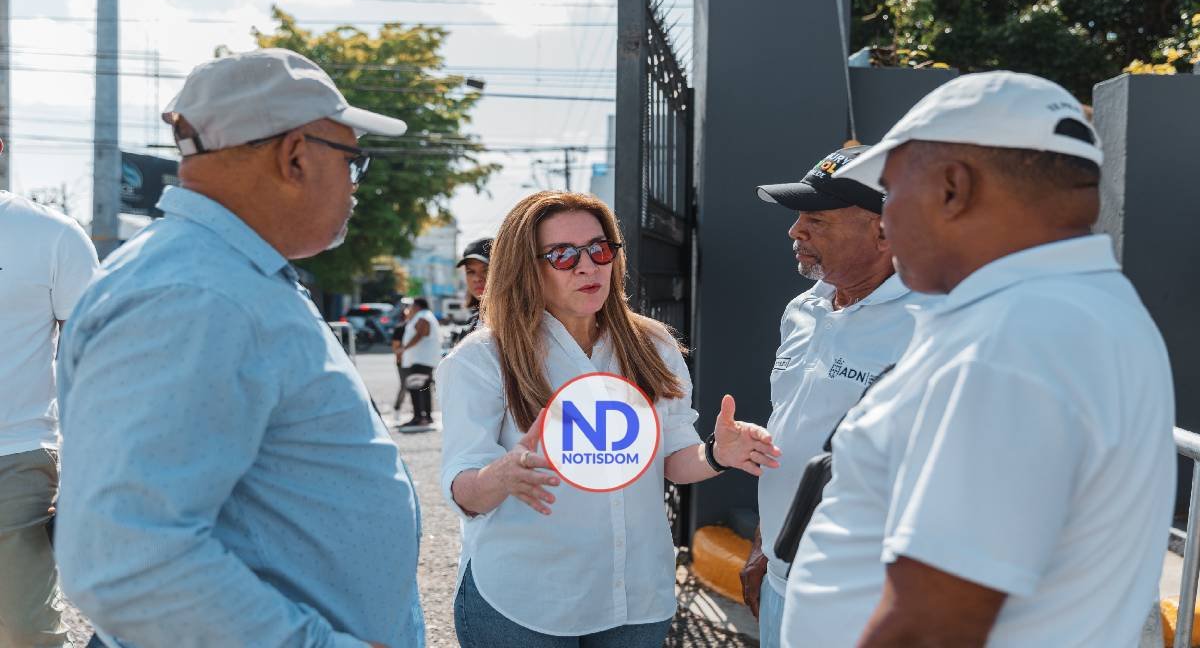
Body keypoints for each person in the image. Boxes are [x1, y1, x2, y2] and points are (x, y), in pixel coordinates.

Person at [781, 71, 1174, 647]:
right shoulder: (1077, 312)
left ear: (951, 188)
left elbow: (933, 625)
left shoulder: (1013, 340)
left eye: (891, 193)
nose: (887, 222)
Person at [55, 48, 424, 648]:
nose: (357, 186)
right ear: (296, 155)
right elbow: (127, 561)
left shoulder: (220, 276)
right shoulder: (195, 296)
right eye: (353, 162)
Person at [438, 190, 782, 647]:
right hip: (524, 603)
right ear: (526, 266)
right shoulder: (483, 359)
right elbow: (463, 490)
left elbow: (672, 460)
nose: (588, 266)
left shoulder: (653, 346)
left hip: (635, 598)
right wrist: (499, 477)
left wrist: (717, 454)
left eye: (599, 249)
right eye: (562, 254)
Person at [741, 145, 932, 648]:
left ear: (885, 230)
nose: (795, 231)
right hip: (783, 579)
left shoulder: (933, 324)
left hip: (864, 599)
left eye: (816, 220)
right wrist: (767, 544)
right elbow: (794, 434)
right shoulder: (803, 309)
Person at [0, 144, 98, 648]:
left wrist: (91, 467)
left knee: (25, 630)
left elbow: (96, 359)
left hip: (14, 457)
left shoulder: (51, 236)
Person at [396, 297, 442, 432]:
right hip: (424, 359)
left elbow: (421, 333)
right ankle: (426, 416)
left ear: (417, 306)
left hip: (420, 359)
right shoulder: (426, 316)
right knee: (424, 388)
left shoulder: (423, 316)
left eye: (412, 306)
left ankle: (418, 417)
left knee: (416, 388)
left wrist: (405, 348)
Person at [456, 237, 491, 339]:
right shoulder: (470, 325)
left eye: (486, 270)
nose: (476, 278)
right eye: (470, 271)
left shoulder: (519, 323)